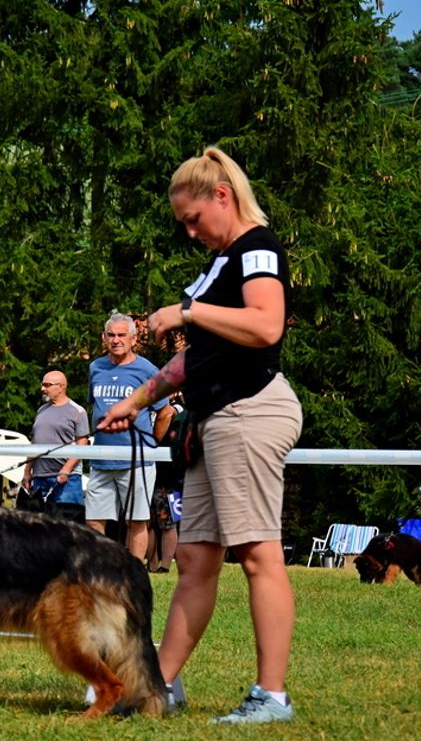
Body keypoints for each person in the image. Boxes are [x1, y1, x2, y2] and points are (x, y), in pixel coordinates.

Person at [97, 147, 303, 724]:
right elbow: (199, 358)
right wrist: (137, 402)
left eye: (194, 219)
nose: (190, 232)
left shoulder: (257, 248)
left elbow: (266, 325)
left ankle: (272, 697)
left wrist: (187, 310)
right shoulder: (226, 259)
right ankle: (158, 686)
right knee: (193, 556)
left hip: (251, 413)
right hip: (217, 419)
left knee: (259, 555)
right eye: (182, 224)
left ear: (222, 196)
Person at [86, 313, 173, 560]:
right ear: (104, 338)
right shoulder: (96, 367)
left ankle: (133, 574)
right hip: (100, 458)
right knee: (93, 521)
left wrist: (151, 443)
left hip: (137, 459)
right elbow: (95, 407)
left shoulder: (146, 369)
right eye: (111, 335)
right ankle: (100, 571)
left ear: (133, 339)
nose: (116, 340)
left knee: (136, 520)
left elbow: (165, 411)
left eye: (122, 335)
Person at [21, 371, 90, 516]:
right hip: (39, 478)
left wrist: (66, 470)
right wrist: (27, 472)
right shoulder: (41, 410)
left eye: (47, 385)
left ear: (61, 387)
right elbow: (35, 443)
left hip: (66, 480)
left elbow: (82, 443)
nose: (42, 389)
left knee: (68, 526)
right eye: (42, 385)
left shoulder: (77, 411)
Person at [147, 394, 185, 573]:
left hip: (170, 476)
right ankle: (152, 563)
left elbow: (169, 413)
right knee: (148, 522)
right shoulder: (150, 410)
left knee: (168, 522)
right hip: (148, 472)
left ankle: (166, 566)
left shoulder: (177, 408)